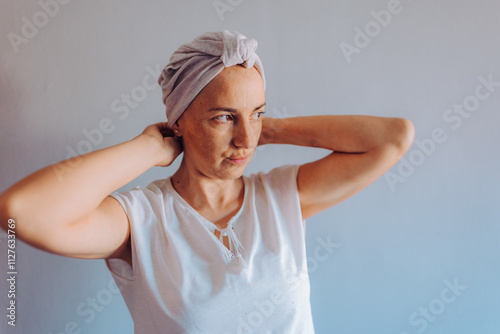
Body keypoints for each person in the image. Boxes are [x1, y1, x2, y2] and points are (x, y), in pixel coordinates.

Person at [0, 30, 414, 333]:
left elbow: (394, 138)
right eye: (223, 117)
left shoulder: (282, 197)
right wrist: (149, 148)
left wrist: (268, 128)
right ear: (178, 120)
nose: (244, 140)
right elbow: (21, 212)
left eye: (256, 113)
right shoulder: (141, 221)